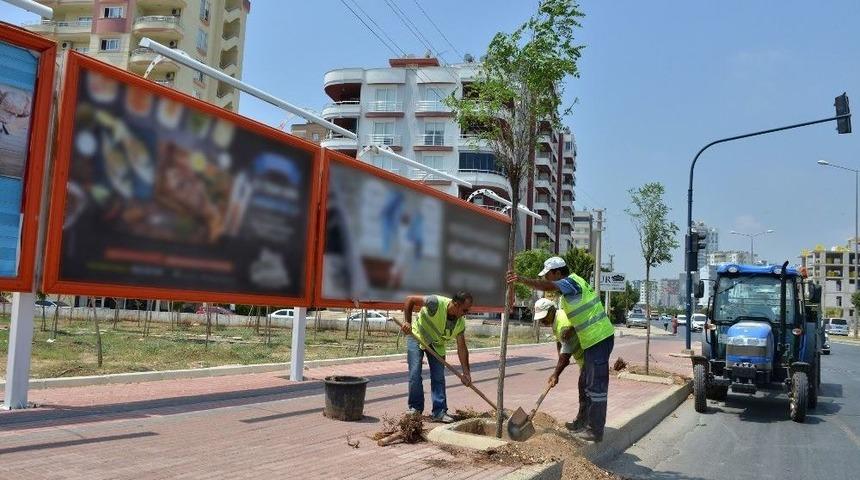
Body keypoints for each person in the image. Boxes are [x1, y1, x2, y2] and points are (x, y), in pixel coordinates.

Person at [508, 257, 615, 442]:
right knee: (588, 386)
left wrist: (522, 280)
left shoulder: (570, 281)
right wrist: (572, 328)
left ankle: (595, 430)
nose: (548, 280)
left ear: (558, 273)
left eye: (549, 275)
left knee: (596, 388)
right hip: (592, 340)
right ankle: (585, 424)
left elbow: (550, 287)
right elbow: (584, 314)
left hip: (599, 337)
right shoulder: (570, 294)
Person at [401, 291, 474, 423]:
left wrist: (466, 373)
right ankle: (415, 409)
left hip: (437, 345)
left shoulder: (460, 323)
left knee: (438, 377)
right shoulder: (435, 302)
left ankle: (439, 412)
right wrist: (407, 322)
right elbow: (409, 299)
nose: (466, 313)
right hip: (418, 335)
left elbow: (462, 348)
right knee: (414, 373)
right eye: (465, 310)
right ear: (456, 305)